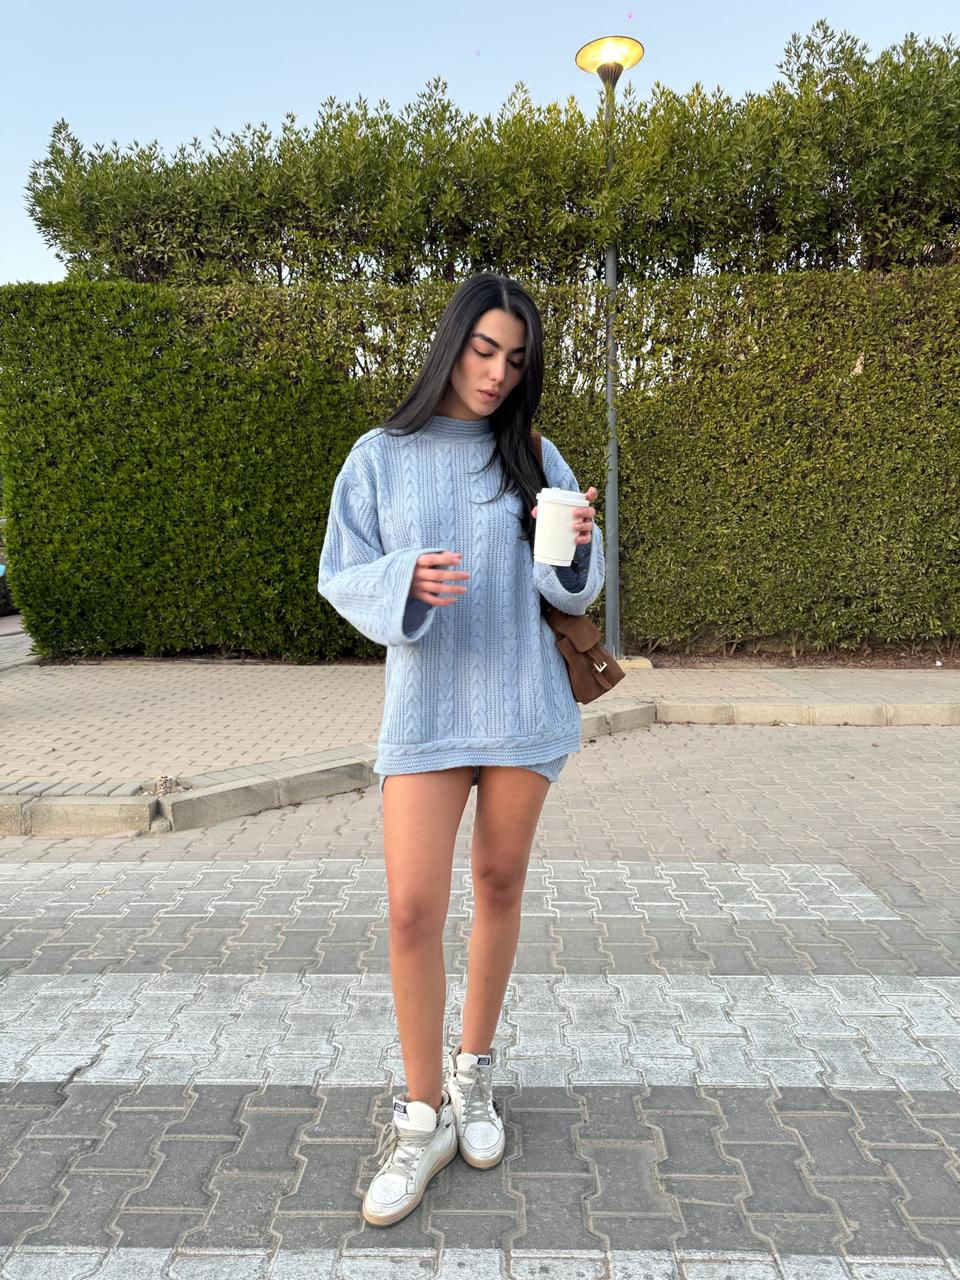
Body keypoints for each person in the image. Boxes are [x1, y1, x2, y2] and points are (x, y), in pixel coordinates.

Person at [317, 273, 605, 1226]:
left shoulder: (534, 453)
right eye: (483, 351)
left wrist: (576, 542)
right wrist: (404, 577)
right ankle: (420, 1116)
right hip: (427, 709)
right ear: (451, 345)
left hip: (521, 703)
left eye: (514, 360)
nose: (495, 374)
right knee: (411, 910)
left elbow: (569, 592)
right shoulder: (380, 456)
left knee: (500, 885)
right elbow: (340, 574)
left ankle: (472, 1077)